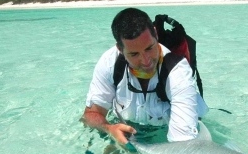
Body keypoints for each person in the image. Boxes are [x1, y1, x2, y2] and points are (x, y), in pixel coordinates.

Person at [82, 8, 208, 145]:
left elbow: (183, 144)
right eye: (134, 54)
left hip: (166, 130)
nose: (146, 61)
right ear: (120, 49)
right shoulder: (109, 62)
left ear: (155, 34)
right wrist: (109, 128)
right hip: (130, 128)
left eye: (149, 48)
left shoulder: (178, 72)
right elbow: (90, 115)